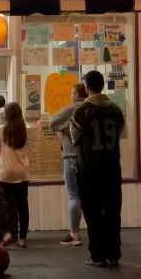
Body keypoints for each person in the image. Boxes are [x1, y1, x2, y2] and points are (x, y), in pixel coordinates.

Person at [71, 70, 125, 268]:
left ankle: (97, 255)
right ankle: (113, 254)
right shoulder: (116, 110)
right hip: (112, 168)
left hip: (88, 170)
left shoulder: (81, 111)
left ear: (86, 87)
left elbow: (75, 137)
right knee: (112, 212)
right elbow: (119, 132)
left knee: (93, 213)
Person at [49, 82, 86, 246]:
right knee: (88, 196)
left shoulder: (72, 109)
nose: (71, 96)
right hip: (88, 158)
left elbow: (52, 123)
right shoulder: (90, 108)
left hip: (71, 157)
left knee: (73, 196)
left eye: (71, 93)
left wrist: (65, 127)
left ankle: (74, 233)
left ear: (76, 95)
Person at [0, 102, 30, 248]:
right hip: (22, 173)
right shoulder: (24, 130)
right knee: (22, 206)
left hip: (4, 173)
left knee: (3, 205)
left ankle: (7, 233)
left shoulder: (1, 129)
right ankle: (22, 238)